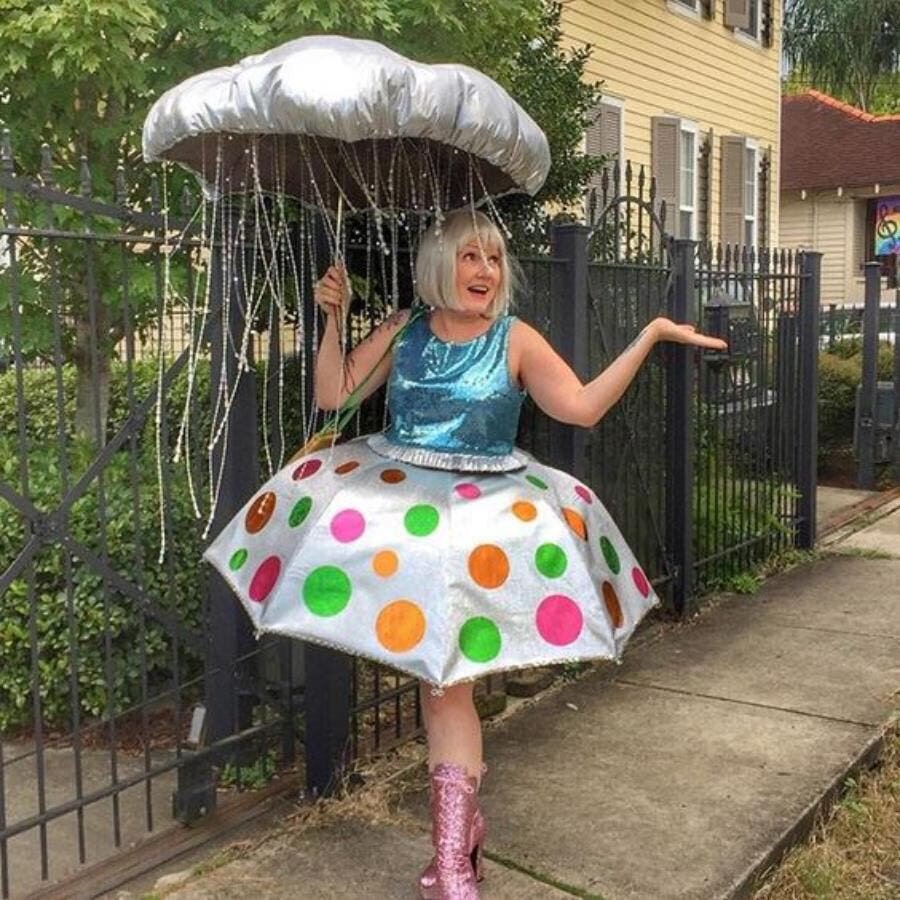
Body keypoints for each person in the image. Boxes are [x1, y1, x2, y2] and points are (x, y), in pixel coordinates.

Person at [205, 209, 726, 900]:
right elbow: (334, 396)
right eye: (471, 256)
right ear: (440, 262)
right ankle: (458, 848)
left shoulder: (516, 339)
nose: (486, 271)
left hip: (485, 522)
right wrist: (333, 320)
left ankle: (451, 862)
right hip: (405, 519)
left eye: (494, 260)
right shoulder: (404, 328)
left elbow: (579, 407)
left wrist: (651, 336)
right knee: (438, 678)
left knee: (448, 682)